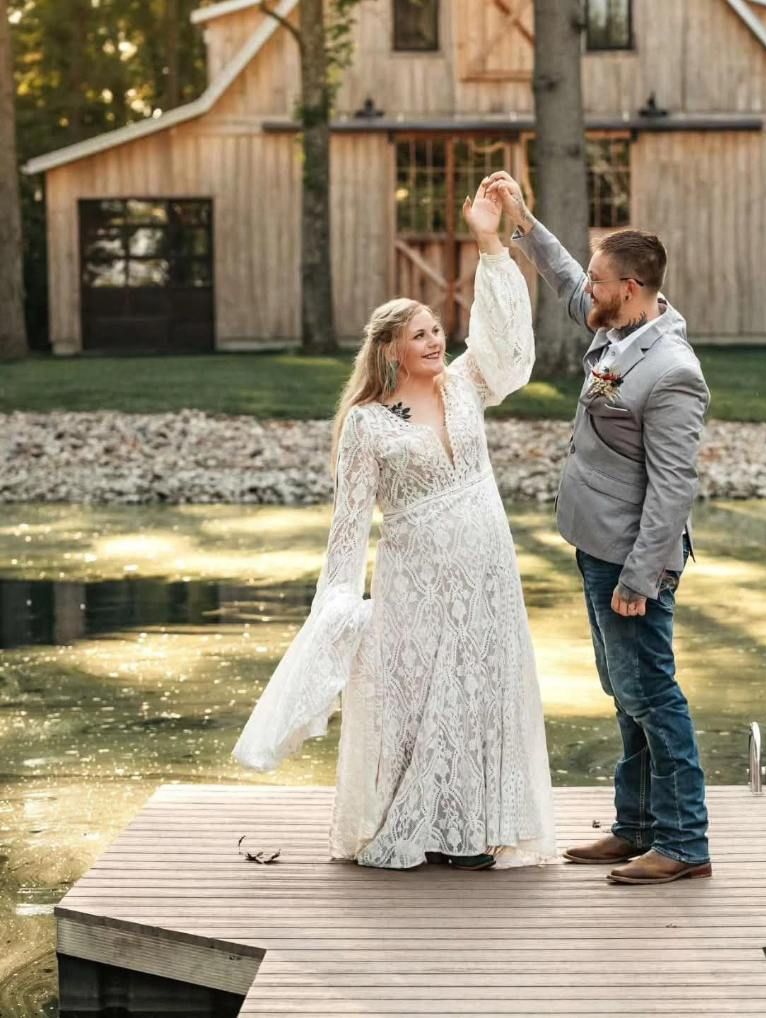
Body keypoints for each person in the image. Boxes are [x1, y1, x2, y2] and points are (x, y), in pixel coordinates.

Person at [231, 181, 558, 872]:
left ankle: (480, 829)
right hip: (417, 576)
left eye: (438, 328)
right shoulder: (367, 425)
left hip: (488, 568)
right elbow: (349, 525)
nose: (437, 339)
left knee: (484, 688)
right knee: (418, 692)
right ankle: (419, 824)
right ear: (390, 350)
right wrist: (339, 602)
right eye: (421, 334)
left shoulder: (466, 385)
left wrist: (490, 243)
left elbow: (507, 346)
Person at [483, 170, 711, 886]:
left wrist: (643, 577)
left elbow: (675, 487)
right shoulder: (621, 329)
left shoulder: (671, 370)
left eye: (604, 282)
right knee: (626, 692)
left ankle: (684, 843)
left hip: (631, 559)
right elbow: (567, 281)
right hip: (596, 545)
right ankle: (634, 827)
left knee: (653, 696)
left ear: (634, 288)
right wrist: (522, 222)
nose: (591, 291)